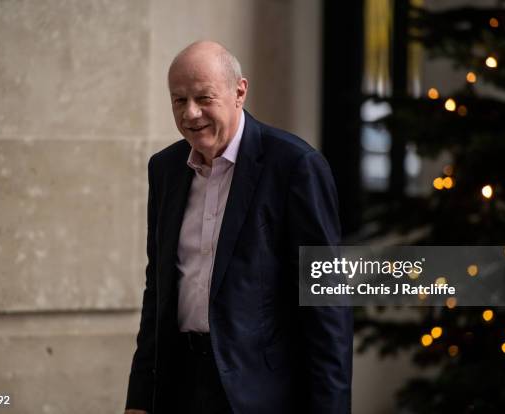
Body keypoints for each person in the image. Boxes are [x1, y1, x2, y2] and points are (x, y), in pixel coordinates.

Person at [125, 40, 352, 414]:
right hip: (179, 388)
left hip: (261, 394)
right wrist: (139, 398)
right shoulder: (164, 169)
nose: (191, 114)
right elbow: (159, 292)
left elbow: (327, 306)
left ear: (239, 92)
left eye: (204, 97)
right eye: (179, 100)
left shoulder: (295, 166)